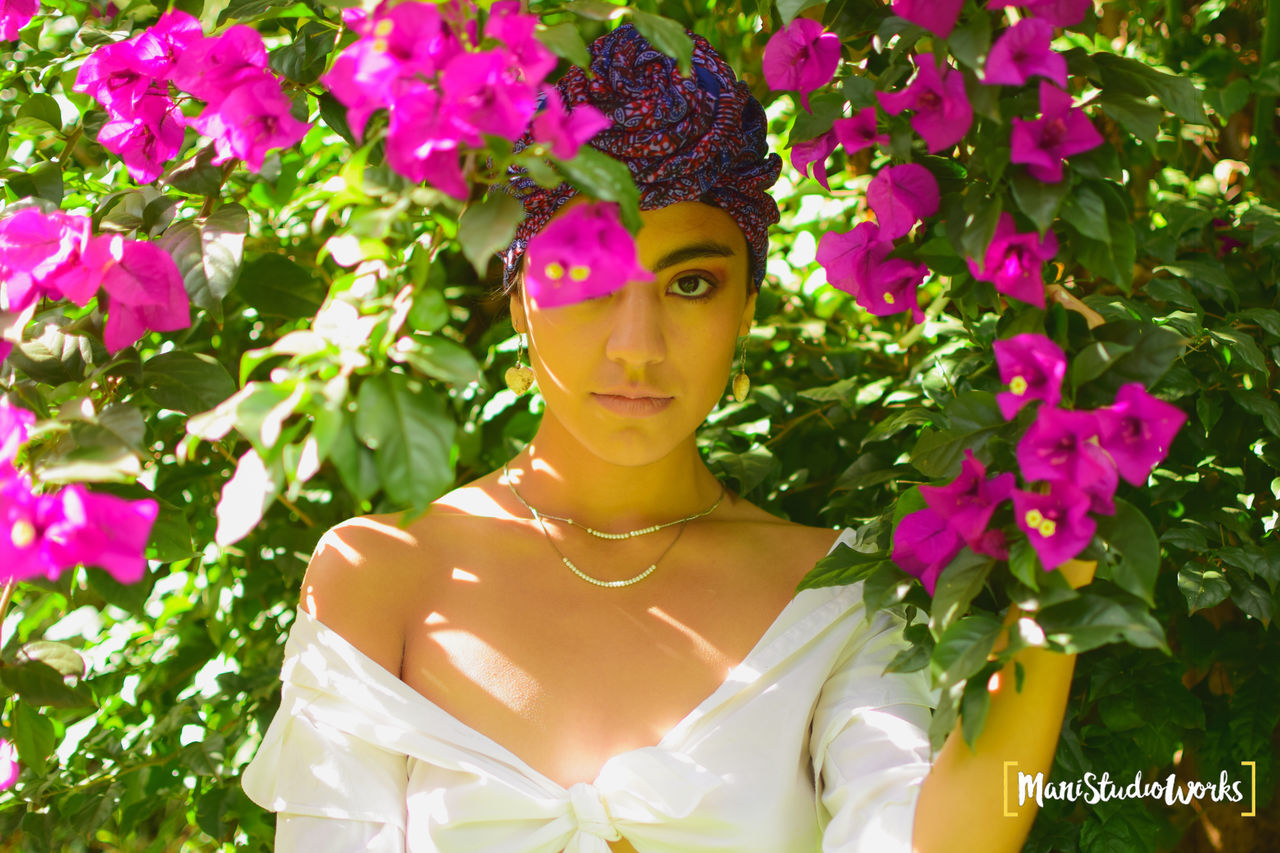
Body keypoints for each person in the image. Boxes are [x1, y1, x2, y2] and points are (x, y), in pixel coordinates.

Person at [242, 22, 1088, 853]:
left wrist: (1061, 591)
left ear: (746, 306)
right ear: (518, 300)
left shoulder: (835, 591)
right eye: (585, 275)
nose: (637, 347)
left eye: (690, 283)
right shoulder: (378, 578)